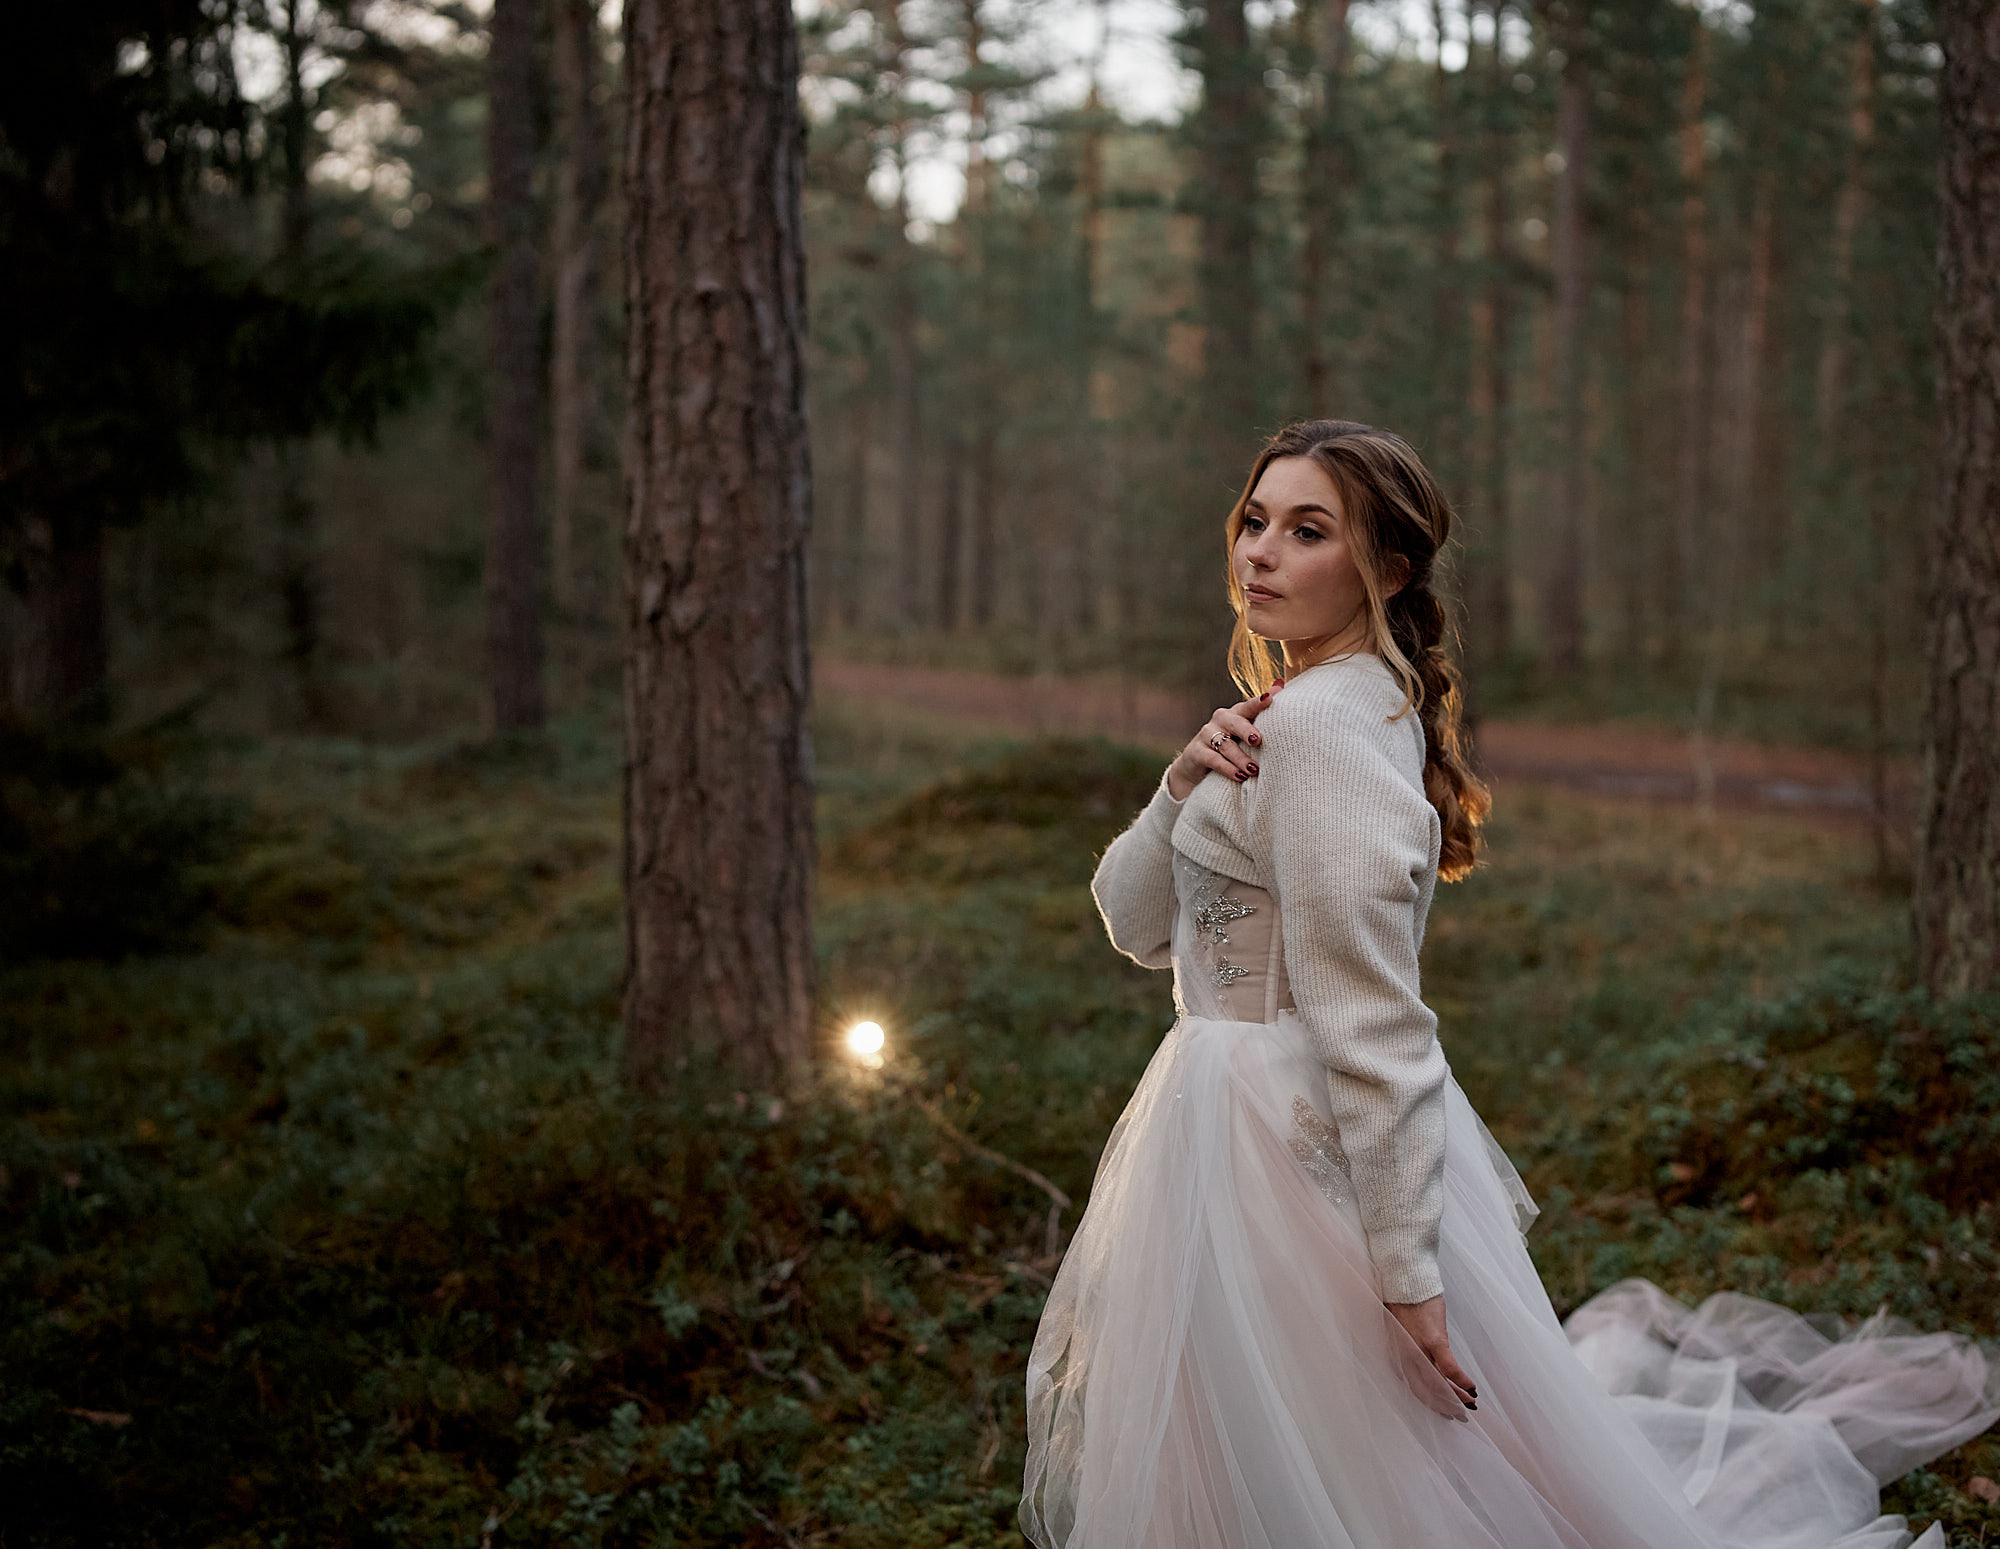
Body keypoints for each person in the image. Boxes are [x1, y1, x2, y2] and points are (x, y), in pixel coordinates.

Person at [1019, 420, 2000, 1549]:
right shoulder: (1287, 715)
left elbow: (1374, 1026)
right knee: (1276, 1453)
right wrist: (1176, 781)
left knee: (1342, 1462)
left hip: (1285, 1145)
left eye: (1305, 531)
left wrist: (1404, 1275)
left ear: (1384, 570)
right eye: (1253, 523)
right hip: (1215, 1119)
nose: (1259, 554)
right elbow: (1134, 925)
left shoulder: (1327, 733)